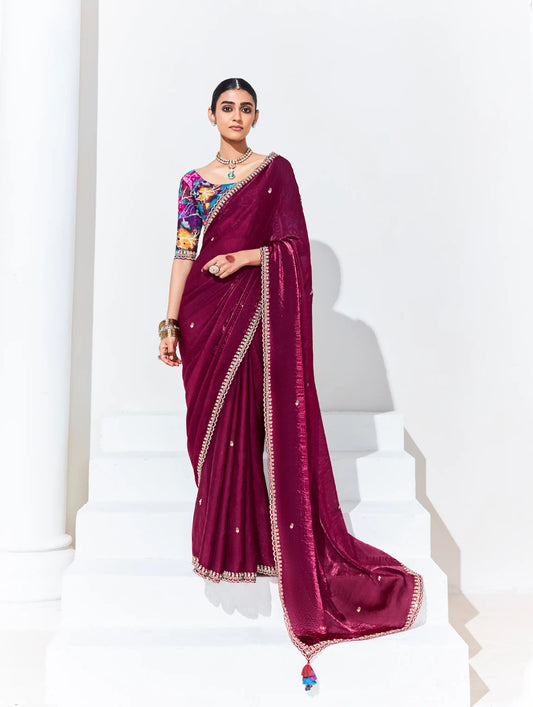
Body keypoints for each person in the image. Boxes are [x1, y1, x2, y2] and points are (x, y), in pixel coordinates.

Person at [158, 77, 424, 691]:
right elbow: (181, 253)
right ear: (210, 114)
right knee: (208, 433)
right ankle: (223, 546)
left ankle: (257, 547)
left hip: (252, 312)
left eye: (246, 108)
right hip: (202, 316)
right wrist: (169, 322)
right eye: (227, 107)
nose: (237, 115)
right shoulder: (194, 184)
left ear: (256, 116)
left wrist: (247, 258)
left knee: (249, 428)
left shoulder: (275, 172)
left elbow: (292, 248)